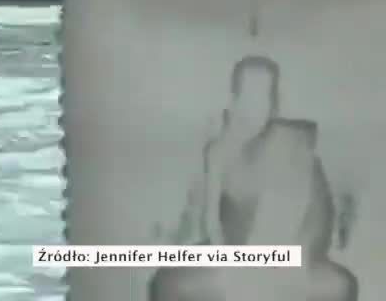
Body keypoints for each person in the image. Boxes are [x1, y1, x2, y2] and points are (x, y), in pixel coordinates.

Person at [149, 56, 358, 301]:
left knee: (340, 286)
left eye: (264, 99)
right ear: (235, 99)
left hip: (290, 263)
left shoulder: (292, 145)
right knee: (168, 284)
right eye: (249, 98)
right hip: (233, 260)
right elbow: (211, 224)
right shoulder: (218, 150)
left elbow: (316, 223)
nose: (256, 108)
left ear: (274, 105)